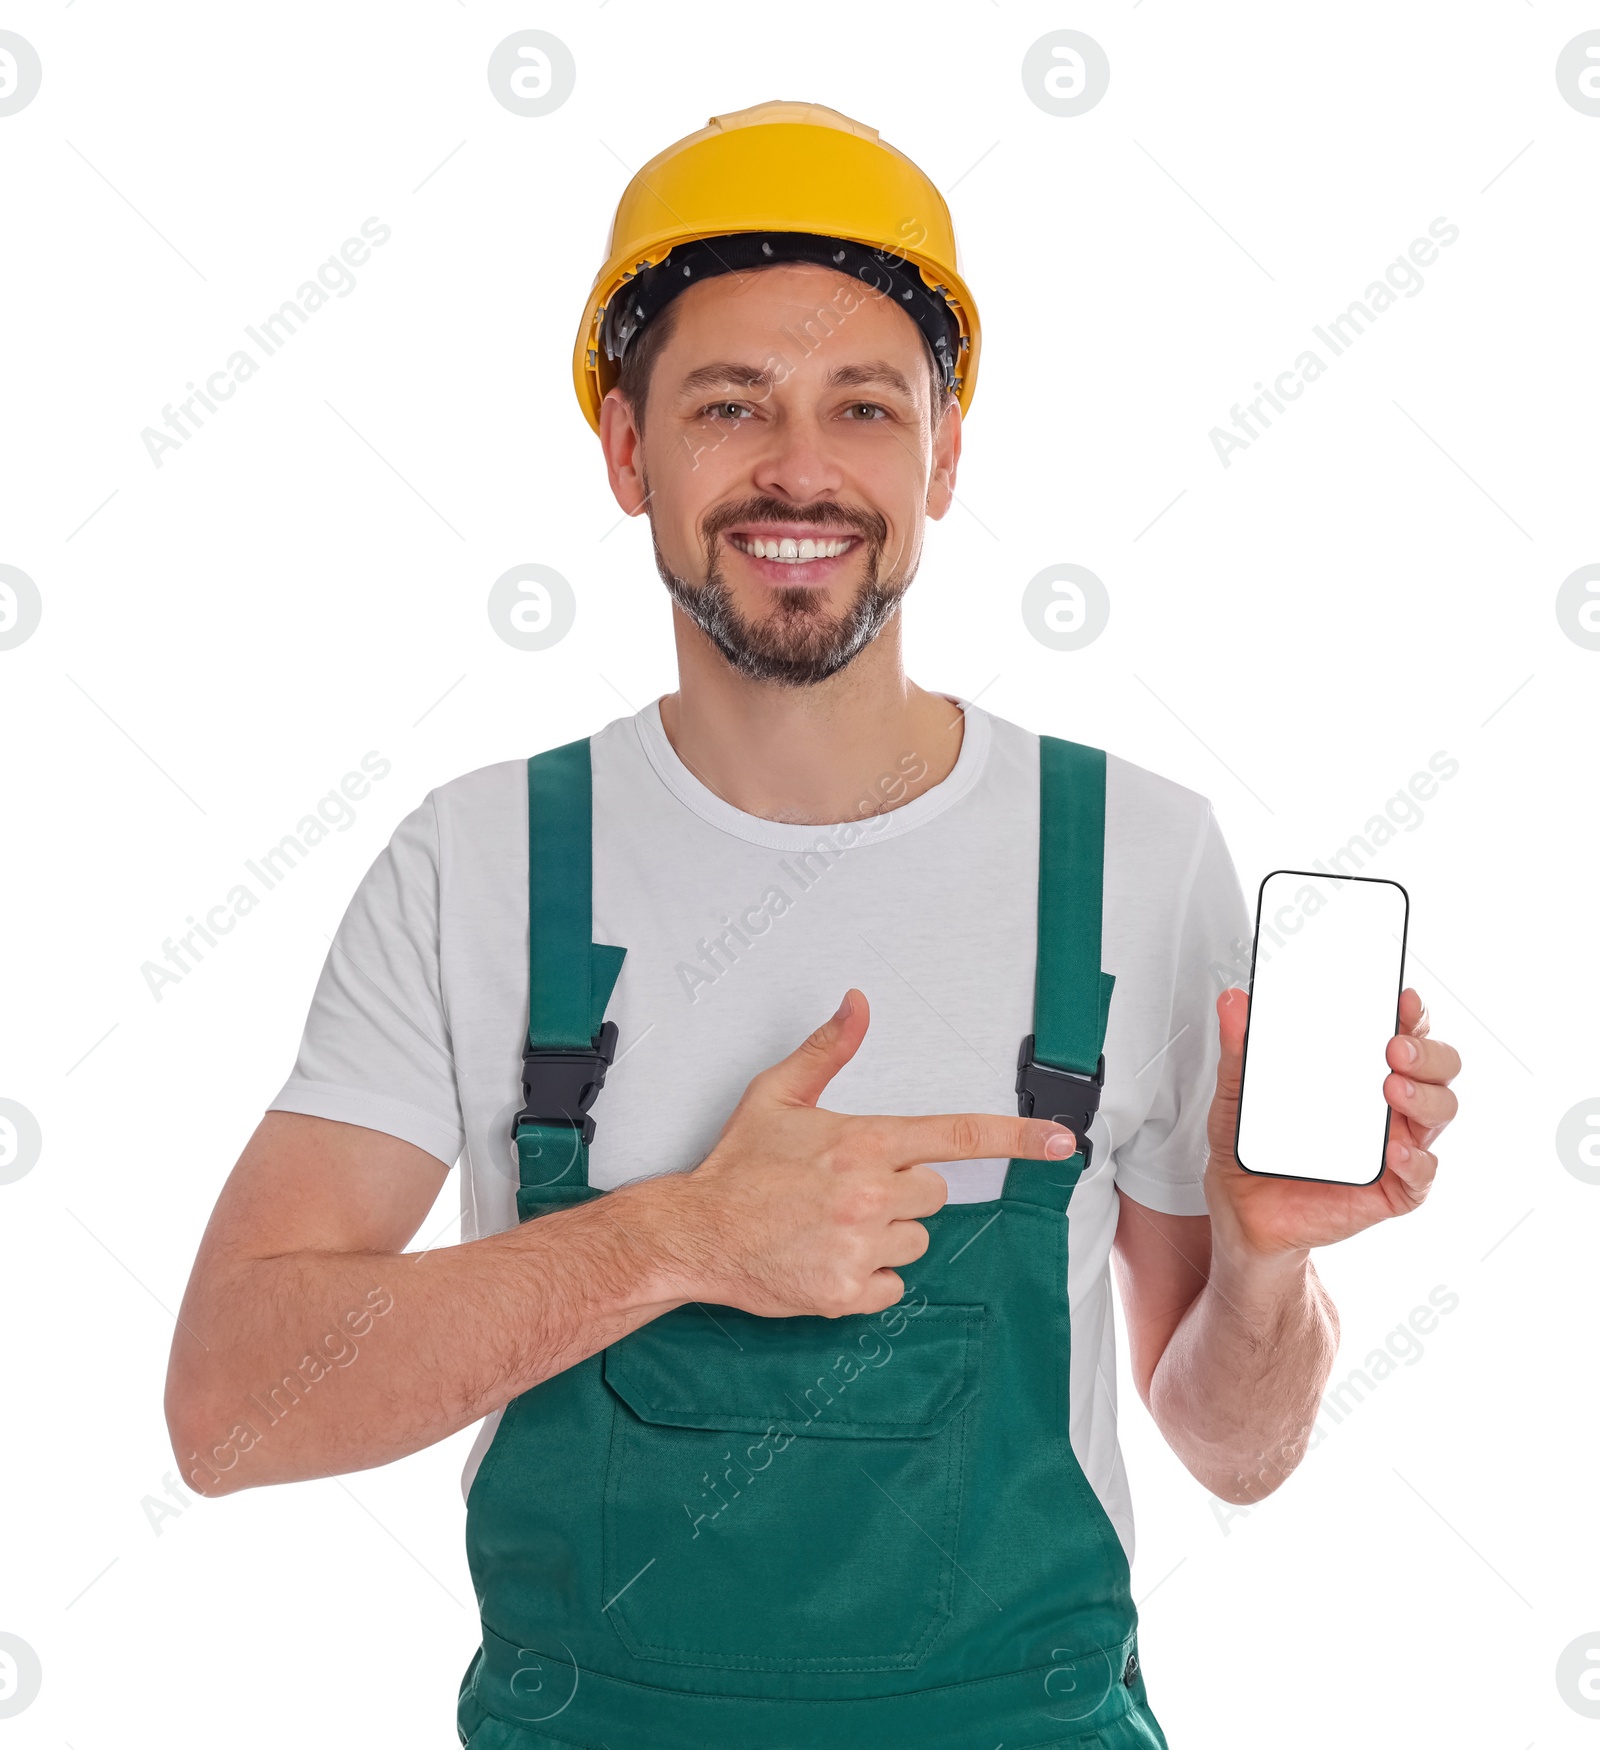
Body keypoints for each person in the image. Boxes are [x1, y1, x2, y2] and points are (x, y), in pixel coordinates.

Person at [165, 101, 1462, 1749]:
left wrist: (1266, 1263)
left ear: (944, 451)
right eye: (730, 405)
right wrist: (677, 1237)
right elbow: (228, 1404)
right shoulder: (477, 860)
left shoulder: (1138, 852)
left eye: (864, 406)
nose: (801, 469)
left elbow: (1233, 1447)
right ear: (630, 449)